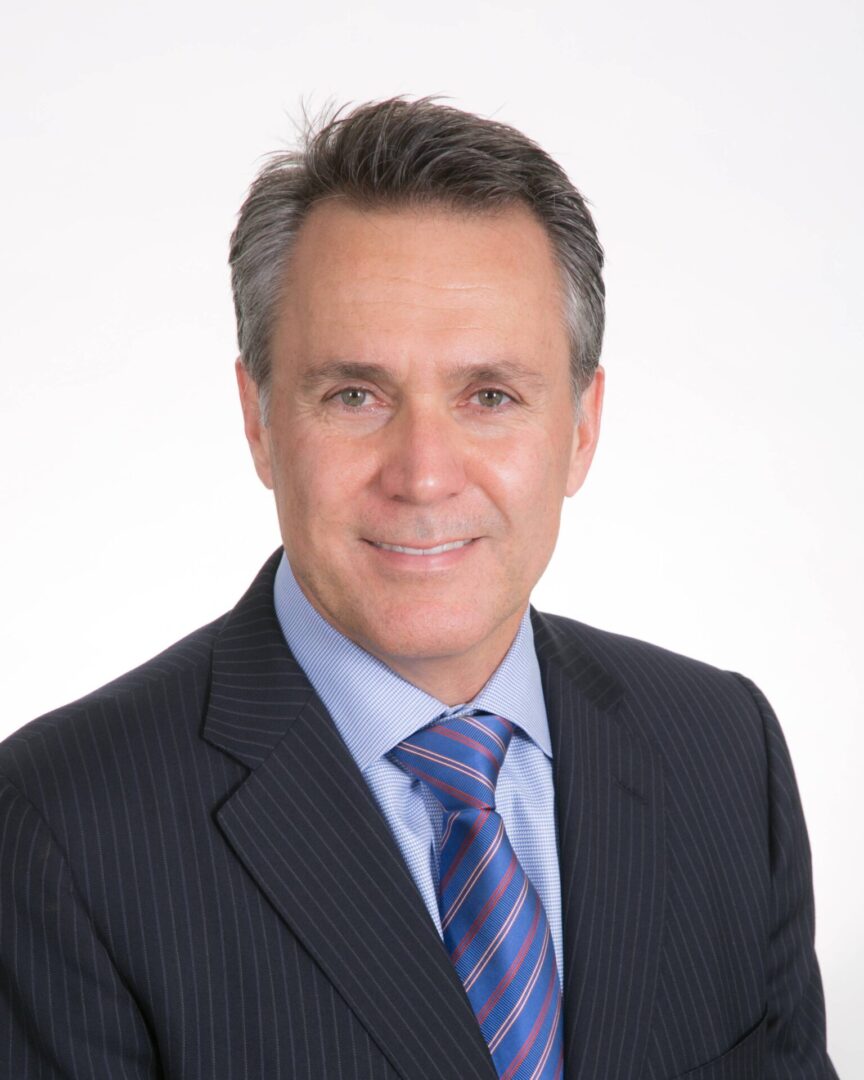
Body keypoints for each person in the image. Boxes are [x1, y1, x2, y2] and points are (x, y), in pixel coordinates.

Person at [0, 98, 837, 1080]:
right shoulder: (59, 829)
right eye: (355, 395)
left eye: (491, 396)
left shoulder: (724, 751)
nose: (425, 473)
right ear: (260, 421)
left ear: (580, 428)